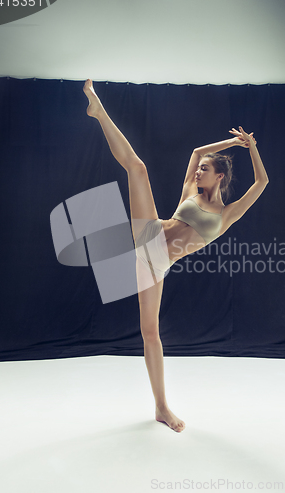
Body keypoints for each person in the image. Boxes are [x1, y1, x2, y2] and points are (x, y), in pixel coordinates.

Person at [83, 79, 269, 433]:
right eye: (198, 170)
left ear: (221, 176)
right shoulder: (190, 191)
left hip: (155, 263)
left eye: (205, 170)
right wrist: (231, 141)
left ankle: (161, 408)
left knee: (150, 334)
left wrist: (252, 147)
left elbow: (261, 183)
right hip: (150, 233)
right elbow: (198, 151)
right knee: (138, 168)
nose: (198, 171)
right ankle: (98, 110)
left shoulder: (228, 213)